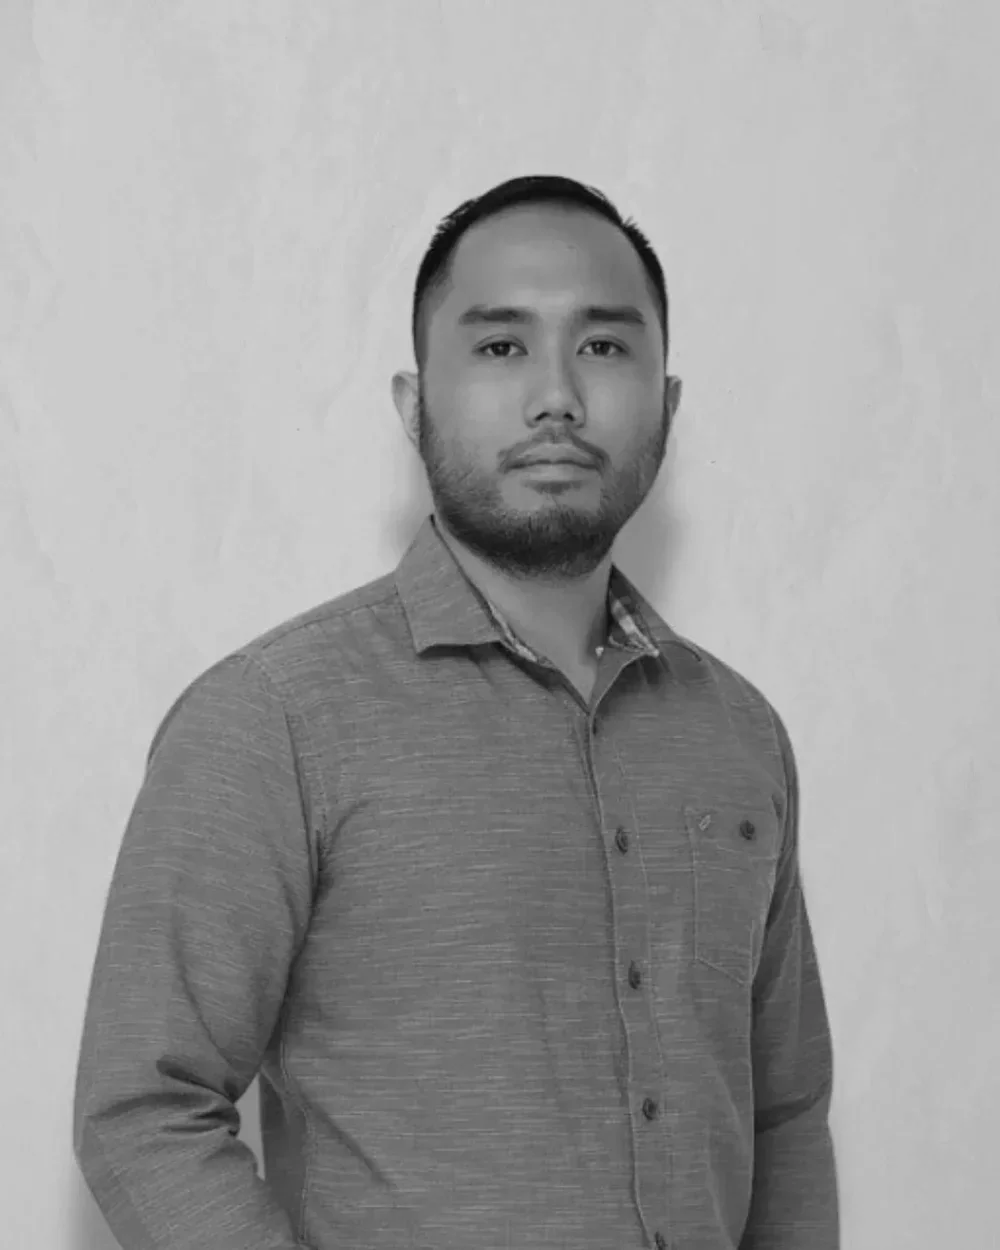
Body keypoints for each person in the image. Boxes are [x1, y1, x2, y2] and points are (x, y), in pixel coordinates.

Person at [74, 174, 839, 1250]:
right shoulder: (274, 717)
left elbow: (784, 1109)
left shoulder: (738, 733)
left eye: (605, 347)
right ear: (411, 402)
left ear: (665, 406)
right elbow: (143, 1106)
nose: (557, 396)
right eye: (499, 347)